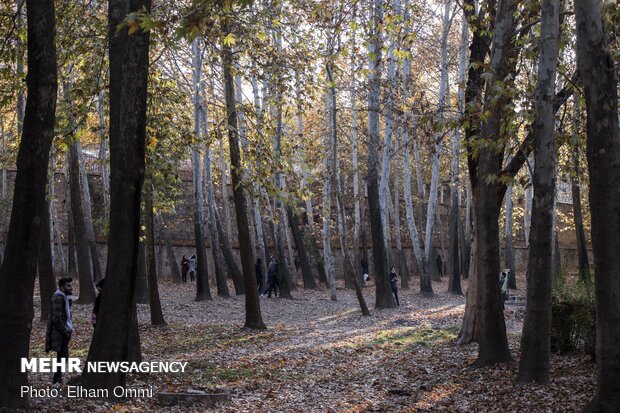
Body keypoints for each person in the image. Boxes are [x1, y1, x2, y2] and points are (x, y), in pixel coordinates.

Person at [45, 277, 74, 387]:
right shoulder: (58, 297)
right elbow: (56, 318)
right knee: (61, 357)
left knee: (62, 356)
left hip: (64, 331)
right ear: (62, 287)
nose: (71, 287)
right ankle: (56, 380)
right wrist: (64, 331)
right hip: (60, 333)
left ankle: (58, 379)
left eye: (71, 285)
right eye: (69, 286)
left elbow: (63, 314)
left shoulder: (64, 297)